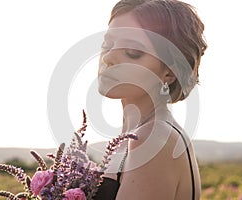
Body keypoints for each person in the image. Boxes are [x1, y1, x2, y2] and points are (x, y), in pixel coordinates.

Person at [94, 0, 207, 199]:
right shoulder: (136, 137)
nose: (108, 58)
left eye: (132, 52)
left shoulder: (153, 138)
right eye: (107, 44)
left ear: (169, 73)